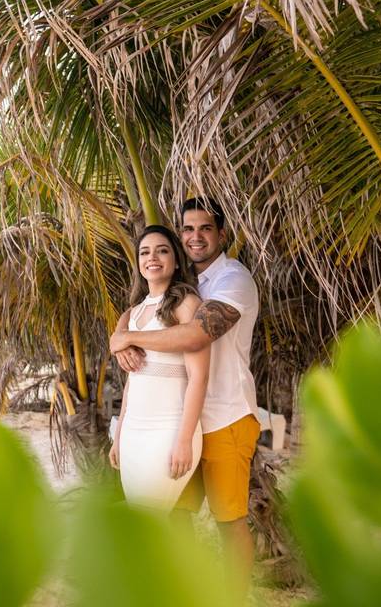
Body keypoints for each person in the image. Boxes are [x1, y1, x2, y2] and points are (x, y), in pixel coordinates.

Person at [110, 199, 260, 588]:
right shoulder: (181, 288)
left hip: (226, 416)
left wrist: (125, 337)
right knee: (177, 515)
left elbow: (196, 334)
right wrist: (123, 337)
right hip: (179, 421)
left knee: (229, 522)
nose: (196, 236)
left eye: (205, 228)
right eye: (188, 229)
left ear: (222, 234)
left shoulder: (233, 280)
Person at [108, 225, 210, 512]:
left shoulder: (187, 305)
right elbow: (132, 382)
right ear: (139, 263)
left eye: (162, 250)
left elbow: (199, 378)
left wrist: (184, 440)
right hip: (133, 433)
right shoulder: (132, 313)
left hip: (169, 429)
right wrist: (119, 437)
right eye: (145, 252)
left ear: (176, 260)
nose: (152, 257)